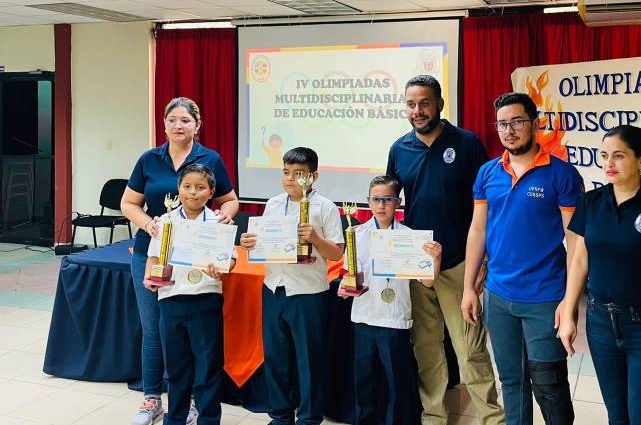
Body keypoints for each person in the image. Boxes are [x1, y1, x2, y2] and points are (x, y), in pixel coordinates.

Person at [386, 75, 503, 425]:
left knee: (470, 351)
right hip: (418, 265)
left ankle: (491, 419)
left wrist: (483, 260)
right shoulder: (399, 149)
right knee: (426, 347)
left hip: (459, 264)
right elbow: (389, 203)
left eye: (424, 103)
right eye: (411, 104)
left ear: (439, 104)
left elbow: (489, 206)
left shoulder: (467, 144)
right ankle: (434, 416)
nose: (417, 110)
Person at [462, 92, 583, 425]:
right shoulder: (488, 173)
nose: (509, 130)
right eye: (502, 123)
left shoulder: (561, 175)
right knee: (512, 382)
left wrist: (569, 302)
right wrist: (469, 289)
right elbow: (477, 231)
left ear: (534, 123)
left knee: (549, 386)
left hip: (545, 298)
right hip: (498, 296)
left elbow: (576, 244)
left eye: (517, 121)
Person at [557, 125, 641, 425]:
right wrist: (568, 312)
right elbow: (578, 261)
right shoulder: (591, 203)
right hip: (601, 324)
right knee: (617, 416)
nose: (608, 164)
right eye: (604, 156)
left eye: (618, 156)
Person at [121, 97, 239, 425]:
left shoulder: (210, 159)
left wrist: (223, 221)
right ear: (164, 124)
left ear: (196, 126)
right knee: (155, 329)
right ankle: (151, 399)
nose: (178, 125)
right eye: (172, 120)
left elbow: (230, 201)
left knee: (191, 338)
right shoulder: (149, 159)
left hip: (198, 257)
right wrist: (150, 224)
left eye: (185, 120)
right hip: (154, 251)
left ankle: (187, 402)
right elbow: (128, 203)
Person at [240, 147, 344, 425]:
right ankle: (281, 415)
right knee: (277, 358)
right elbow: (267, 244)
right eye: (286, 172)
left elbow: (337, 253)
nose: (290, 179)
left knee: (310, 361)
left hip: (309, 294)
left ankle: (309, 417)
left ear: (314, 176)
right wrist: (251, 243)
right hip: (275, 288)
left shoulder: (325, 207)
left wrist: (316, 239)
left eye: (298, 174)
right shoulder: (273, 204)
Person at [144, 164, 235, 425]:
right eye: (187, 186)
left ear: (211, 192)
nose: (192, 193)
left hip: (205, 301)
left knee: (207, 369)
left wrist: (222, 270)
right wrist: (150, 276)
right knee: (176, 370)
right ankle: (174, 420)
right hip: (171, 301)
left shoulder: (219, 222)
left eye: (200, 187)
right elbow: (153, 256)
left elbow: (229, 261)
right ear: (178, 189)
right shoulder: (165, 221)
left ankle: (208, 420)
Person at [349, 175, 442, 425]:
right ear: (368, 202)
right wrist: (348, 285)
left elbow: (427, 282)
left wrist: (435, 259)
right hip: (364, 317)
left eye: (387, 200)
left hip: (395, 320)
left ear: (397, 202)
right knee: (364, 382)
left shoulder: (411, 237)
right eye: (376, 199)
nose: (381, 205)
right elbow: (352, 274)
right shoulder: (356, 235)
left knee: (397, 384)